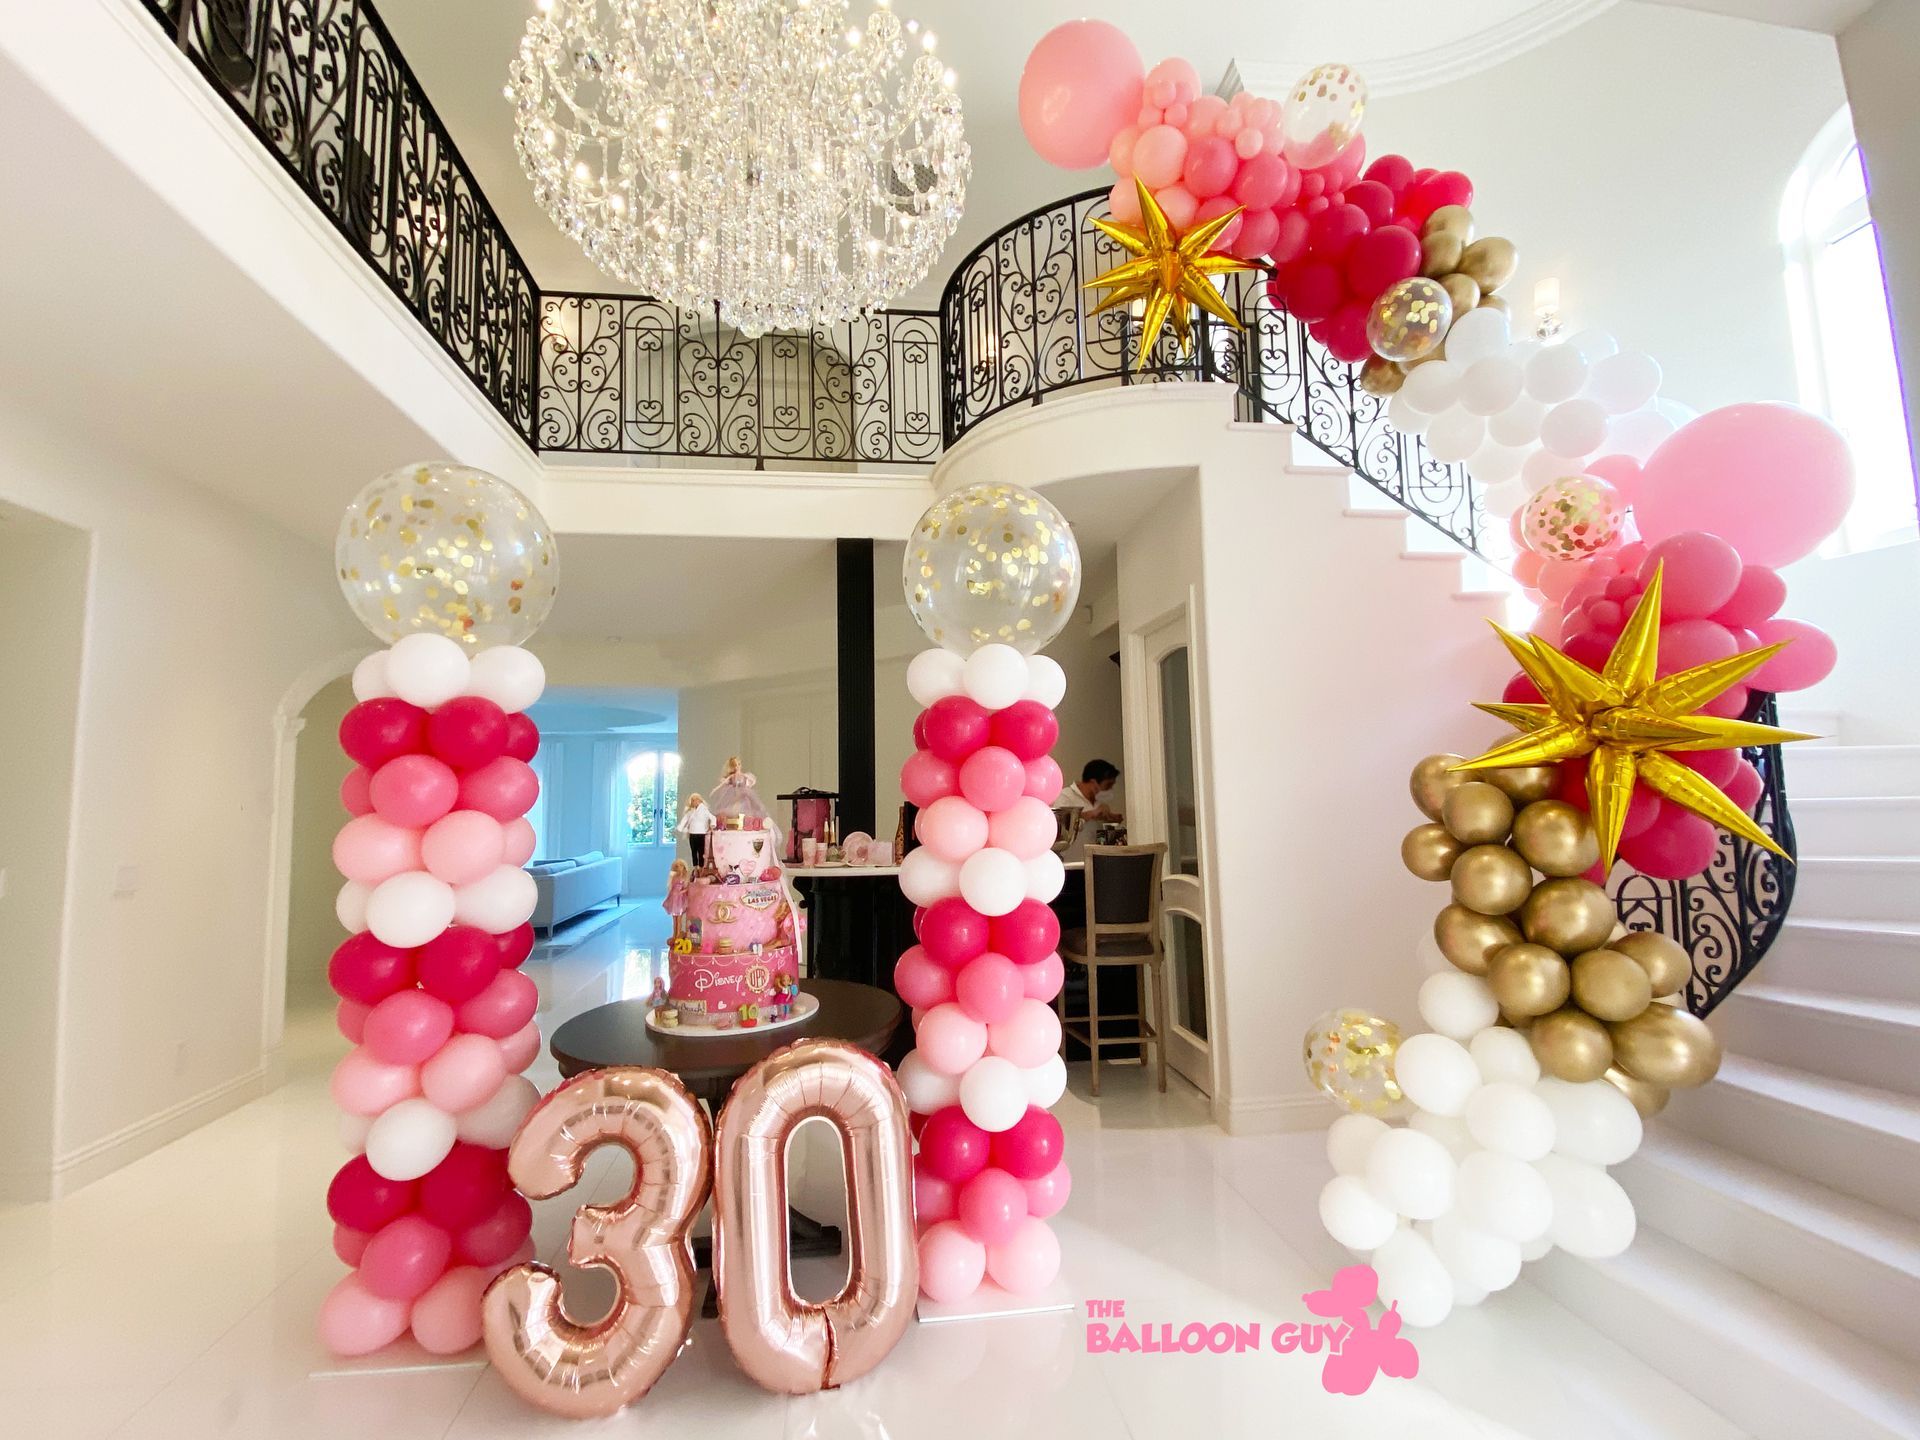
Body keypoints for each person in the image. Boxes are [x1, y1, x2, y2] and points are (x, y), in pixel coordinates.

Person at [1057, 759, 1122, 858]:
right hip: (1072, 864)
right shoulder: (1065, 796)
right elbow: (1062, 825)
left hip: (1096, 863)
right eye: (1108, 785)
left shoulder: (1098, 801)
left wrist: (1110, 819)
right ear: (1093, 782)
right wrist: (1092, 814)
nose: (1110, 790)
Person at [677, 792, 715, 867]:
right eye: (693, 800)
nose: (694, 802)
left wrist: (712, 825)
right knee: (694, 852)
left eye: (696, 800)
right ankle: (695, 868)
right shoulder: (691, 811)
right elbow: (685, 819)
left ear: (699, 800)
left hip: (701, 833)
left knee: (701, 852)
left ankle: (701, 867)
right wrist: (680, 828)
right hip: (692, 833)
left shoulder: (704, 810)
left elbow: (712, 817)